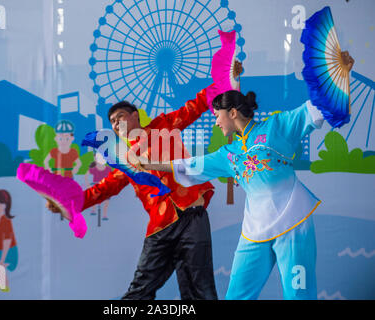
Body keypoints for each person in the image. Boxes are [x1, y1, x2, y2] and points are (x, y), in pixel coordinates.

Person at [141, 52, 354, 300]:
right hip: (255, 229)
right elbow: (191, 165)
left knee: (300, 294)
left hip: (293, 223)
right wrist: (151, 164)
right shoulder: (228, 153)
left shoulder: (277, 126)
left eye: (218, 115)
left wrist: (344, 73)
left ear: (232, 113)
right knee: (236, 296)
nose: (216, 123)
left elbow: (320, 106)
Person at [47, 90, 222, 300]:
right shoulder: (124, 161)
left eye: (119, 116)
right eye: (111, 121)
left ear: (134, 115)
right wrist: (67, 203)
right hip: (161, 225)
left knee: (199, 288)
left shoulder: (162, 127)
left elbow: (195, 106)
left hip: (192, 213)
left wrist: (226, 79)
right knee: (140, 290)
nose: (115, 123)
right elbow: (103, 188)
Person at [85, 153, 112, 219]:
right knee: (93, 197)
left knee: (106, 200)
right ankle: (93, 210)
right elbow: (86, 176)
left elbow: (111, 178)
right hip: (96, 185)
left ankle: (104, 214)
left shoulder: (108, 169)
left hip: (104, 186)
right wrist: (88, 184)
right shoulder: (93, 169)